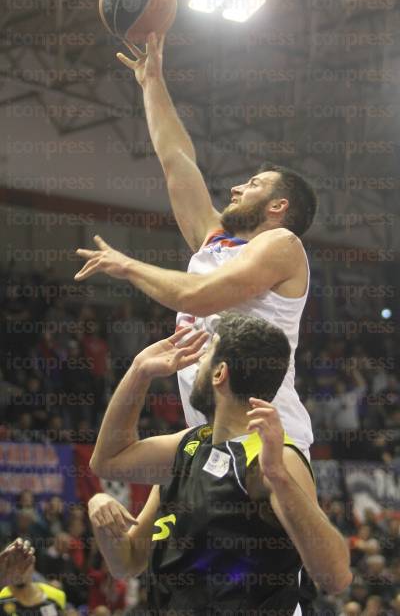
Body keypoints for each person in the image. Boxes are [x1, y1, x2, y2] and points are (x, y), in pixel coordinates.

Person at [74, 34, 317, 456]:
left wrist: (128, 266)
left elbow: (198, 297)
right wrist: (152, 83)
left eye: (254, 184)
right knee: (116, 467)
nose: (238, 188)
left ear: (279, 206)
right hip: (212, 435)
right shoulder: (216, 242)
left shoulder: (283, 244)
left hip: (269, 440)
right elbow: (176, 159)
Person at [89, 313, 351, 613]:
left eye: (206, 356)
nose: (196, 366)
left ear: (219, 373)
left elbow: (336, 577)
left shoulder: (273, 459)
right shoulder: (188, 447)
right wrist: (139, 372)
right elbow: (109, 466)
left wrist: (278, 476)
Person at [0, 552, 65, 616]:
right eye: (14, 565)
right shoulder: (4, 596)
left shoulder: (56, 596)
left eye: (24, 565)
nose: (19, 570)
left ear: (32, 565)